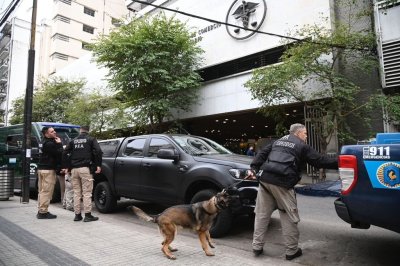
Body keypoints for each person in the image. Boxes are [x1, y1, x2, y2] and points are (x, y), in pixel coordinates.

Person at [246, 123, 338, 260]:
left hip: (265, 181)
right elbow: (320, 161)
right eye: (305, 133)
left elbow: (261, 155)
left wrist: (253, 169)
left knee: (261, 215)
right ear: (298, 133)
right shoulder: (301, 145)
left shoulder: (277, 142)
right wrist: (342, 161)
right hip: (282, 183)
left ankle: (256, 247)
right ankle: (291, 251)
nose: (306, 136)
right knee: (289, 217)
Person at [63, 125, 102, 222]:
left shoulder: (73, 140)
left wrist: (67, 166)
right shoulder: (91, 139)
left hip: (74, 170)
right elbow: (98, 151)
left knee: (76, 193)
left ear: (80, 131)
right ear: (88, 131)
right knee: (87, 193)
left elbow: (64, 153)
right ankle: (88, 215)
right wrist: (98, 165)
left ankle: (77, 215)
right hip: (85, 169)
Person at [37, 127, 64, 219]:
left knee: (42, 191)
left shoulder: (42, 142)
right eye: (52, 131)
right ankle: (43, 212)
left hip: (41, 169)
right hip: (48, 170)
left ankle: (41, 210)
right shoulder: (49, 144)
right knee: (46, 191)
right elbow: (59, 154)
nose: (55, 132)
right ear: (46, 134)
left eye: (54, 131)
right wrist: (59, 144)